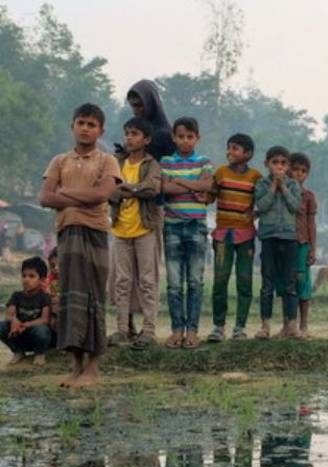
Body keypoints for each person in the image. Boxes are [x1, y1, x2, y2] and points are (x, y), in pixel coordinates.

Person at [38, 103, 122, 388]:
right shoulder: (58, 161)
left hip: (94, 233)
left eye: (91, 124)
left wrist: (66, 193)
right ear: (72, 126)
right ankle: (75, 367)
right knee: (69, 298)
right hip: (66, 234)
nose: (85, 128)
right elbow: (45, 198)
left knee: (91, 297)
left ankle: (93, 369)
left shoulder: (107, 161)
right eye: (81, 123)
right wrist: (78, 196)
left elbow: (103, 194)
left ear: (101, 130)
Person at [107, 116, 163, 351]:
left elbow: (152, 189)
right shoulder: (116, 163)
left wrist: (127, 189)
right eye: (127, 133)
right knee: (121, 281)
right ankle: (122, 329)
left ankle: (148, 329)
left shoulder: (152, 164)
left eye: (135, 134)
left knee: (148, 281)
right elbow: (109, 191)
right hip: (121, 229)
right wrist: (133, 190)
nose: (129, 138)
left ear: (146, 139)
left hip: (145, 229)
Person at [161, 117, 214, 349]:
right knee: (174, 283)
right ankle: (176, 330)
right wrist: (193, 184)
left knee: (195, 281)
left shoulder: (204, 161)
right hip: (172, 224)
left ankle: (192, 330)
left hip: (197, 226)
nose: (185, 140)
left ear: (197, 138)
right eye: (181, 136)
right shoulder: (166, 161)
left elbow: (206, 186)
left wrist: (180, 181)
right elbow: (164, 188)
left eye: (190, 136)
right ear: (174, 137)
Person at [207, 134, 261, 343]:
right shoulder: (220, 173)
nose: (230, 152)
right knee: (220, 281)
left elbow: (262, 201)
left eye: (235, 148)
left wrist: (256, 214)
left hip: (246, 236)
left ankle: (240, 326)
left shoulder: (256, 177)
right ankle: (218, 326)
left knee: (245, 281)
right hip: (223, 235)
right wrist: (202, 187)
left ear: (247, 154)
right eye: (229, 147)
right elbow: (209, 197)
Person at [254, 145, 303, 339]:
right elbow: (262, 206)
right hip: (269, 237)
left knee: (290, 283)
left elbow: (295, 206)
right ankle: (265, 326)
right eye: (275, 162)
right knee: (268, 283)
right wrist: (274, 186)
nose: (279, 166)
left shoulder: (292, 185)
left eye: (283, 163)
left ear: (288, 165)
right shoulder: (262, 184)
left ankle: (291, 325)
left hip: (289, 237)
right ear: (267, 164)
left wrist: (283, 186)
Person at [1, 256, 53, 368]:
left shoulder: (44, 297)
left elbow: (44, 320)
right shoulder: (17, 295)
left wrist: (25, 325)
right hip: (18, 333)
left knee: (42, 330)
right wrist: (14, 321)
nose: (26, 279)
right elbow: (9, 315)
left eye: (32, 276)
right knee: (2, 326)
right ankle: (18, 351)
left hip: (36, 335)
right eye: (24, 276)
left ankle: (40, 354)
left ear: (42, 279)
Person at [289, 152, 318, 338]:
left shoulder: (308, 197)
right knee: (287, 284)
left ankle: (304, 324)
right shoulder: (280, 192)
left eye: (303, 171)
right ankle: (288, 325)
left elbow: (311, 224)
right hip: (285, 243)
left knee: (303, 282)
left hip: (302, 243)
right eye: (295, 169)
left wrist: (313, 248)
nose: (299, 173)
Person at [124, 80, 175, 160]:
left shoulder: (167, 136)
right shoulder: (132, 129)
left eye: (139, 105)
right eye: (132, 106)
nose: (135, 110)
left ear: (150, 103)